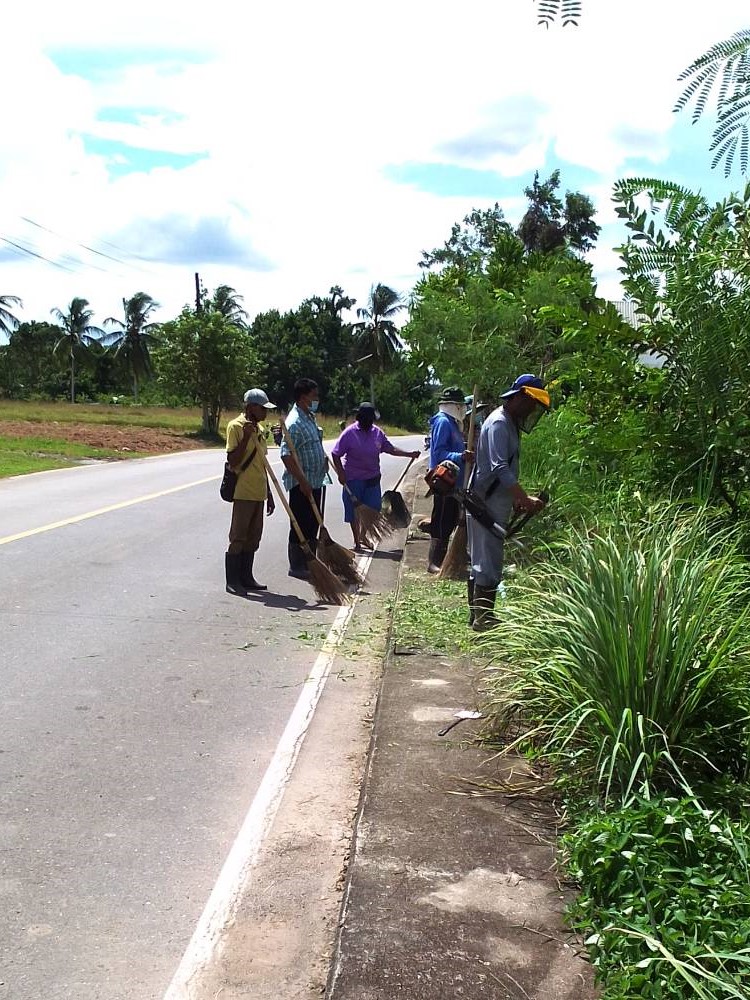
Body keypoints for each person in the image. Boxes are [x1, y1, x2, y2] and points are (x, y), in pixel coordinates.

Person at [467, 374, 550, 631]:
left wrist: (515, 499)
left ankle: (479, 616)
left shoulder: (510, 423)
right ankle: (483, 619)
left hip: (495, 502)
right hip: (485, 503)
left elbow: (507, 468)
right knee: (486, 562)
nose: (532, 410)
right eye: (531, 404)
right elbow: (499, 467)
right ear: (519, 398)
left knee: (485, 559)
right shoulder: (499, 424)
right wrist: (522, 497)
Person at [331, 402, 420, 551]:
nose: (369, 422)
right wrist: (341, 473)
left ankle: (363, 535)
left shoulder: (377, 433)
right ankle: (357, 541)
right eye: (367, 419)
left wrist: (408, 454)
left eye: (371, 419)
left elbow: (390, 449)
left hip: (372, 478)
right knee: (354, 511)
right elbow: (336, 454)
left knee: (373, 509)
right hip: (353, 478)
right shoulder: (349, 433)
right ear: (360, 418)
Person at [224, 388, 277, 596]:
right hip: (243, 491)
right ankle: (233, 580)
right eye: (263, 408)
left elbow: (262, 463)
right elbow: (233, 460)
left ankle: (247, 577)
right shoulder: (236, 427)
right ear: (251, 407)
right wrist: (245, 438)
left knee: (254, 538)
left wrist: (269, 493)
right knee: (238, 536)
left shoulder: (260, 429)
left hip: (258, 491)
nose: (265, 413)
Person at [280, 377, 330, 579]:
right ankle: (297, 565)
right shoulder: (294, 423)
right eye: (313, 396)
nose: (316, 399)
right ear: (303, 397)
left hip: (316, 480)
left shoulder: (309, 417)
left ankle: (311, 561)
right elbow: (286, 455)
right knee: (300, 523)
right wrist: (302, 481)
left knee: (312, 524)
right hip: (302, 484)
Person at [427, 386, 472, 573]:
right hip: (444, 479)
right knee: (442, 519)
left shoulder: (452, 423)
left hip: (454, 479)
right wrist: (460, 456)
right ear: (454, 406)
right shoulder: (443, 423)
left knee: (450, 517)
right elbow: (439, 453)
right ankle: (434, 561)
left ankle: (445, 558)